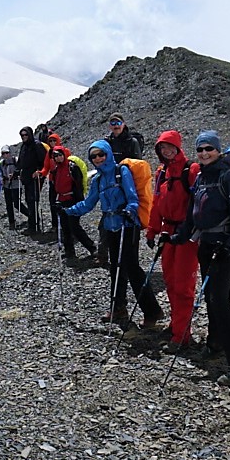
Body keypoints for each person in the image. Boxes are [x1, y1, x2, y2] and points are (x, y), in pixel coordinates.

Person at [171, 130, 230, 381]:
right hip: (206, 244)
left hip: (226, 247)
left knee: (220, 299)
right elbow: (192, 213)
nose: (204, 153)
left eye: (209, 149)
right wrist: (179, 236)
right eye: (200, 149)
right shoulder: (202, 178)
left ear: (218, 150)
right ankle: (215, 343)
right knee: (210, 296)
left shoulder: (229, 177)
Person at [67, 138, 165, 333]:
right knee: (116, 268)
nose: (98, 159)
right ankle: (118, 308)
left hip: (127, 225)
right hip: (111, 226)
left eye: (101, 154)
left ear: (108, 154)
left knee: (132, 268)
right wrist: (68, 210)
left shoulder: (122, 172)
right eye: (94, 156)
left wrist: (130, 210)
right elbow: (88, 204)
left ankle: (152, 312)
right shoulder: (98, 180)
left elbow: (133, 198)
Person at [147, 130, 201, 349]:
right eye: (162, 148)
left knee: (183, 286)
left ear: (178, 147)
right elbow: (156, 203)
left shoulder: (192, 170)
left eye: (169, 147)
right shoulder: (162, 172)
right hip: (167, 233)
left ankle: (181, 336)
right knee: (170, 281)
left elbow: (200, 204)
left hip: (186, 235)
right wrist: (152, 230)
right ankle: (176, 326)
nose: (166, 151)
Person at [46, 144, 98, 264]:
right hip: (62, 200)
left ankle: (92, 248)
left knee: (74, 226)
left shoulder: (72, 167)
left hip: (72, 200)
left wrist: (79, 202)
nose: (58, 158)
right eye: (55, 156)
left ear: (64, 155)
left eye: (59, 155)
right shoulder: (56, 171)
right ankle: (70, 251)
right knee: (65, 227)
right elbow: (54, 187)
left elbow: (78, 185)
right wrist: (54, 202)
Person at [17, 127, 47, 233]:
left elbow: (44, 161)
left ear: (30, 134)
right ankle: (32, 224)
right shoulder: (24, 147)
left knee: (33, 201)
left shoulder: (37, 145)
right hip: (26, 178)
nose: (24, 137)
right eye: (22, 135)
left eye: (26, 135)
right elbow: (21, 161)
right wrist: (17, 171)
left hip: (35, 177)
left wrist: (39, 171)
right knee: (29, 201)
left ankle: (34, 226)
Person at [1, 148, 21, 230]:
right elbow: (1, 173)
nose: (5, 155)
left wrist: (15, 175)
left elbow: (20, 170)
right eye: (3, 153)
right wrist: (2, 178)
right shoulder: (2, 163)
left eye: (7, 153)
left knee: (16, 203)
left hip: (16, 185)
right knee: (9, 205)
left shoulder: (15, 160)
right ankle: (11, 222)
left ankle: (29, 215)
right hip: (7, 185)